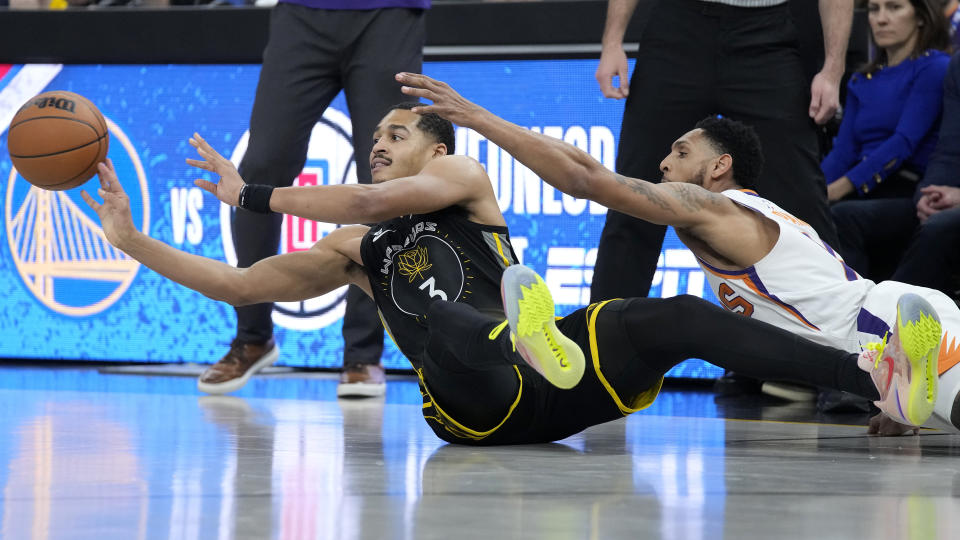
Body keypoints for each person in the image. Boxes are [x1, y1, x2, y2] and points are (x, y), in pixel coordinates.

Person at [81, 104, 938, 444]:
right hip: (473, 402)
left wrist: (253, 191)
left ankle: (872, 374)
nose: (377, 145)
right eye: (370, 139)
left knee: (669, 313)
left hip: (558, 380)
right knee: (435, 311)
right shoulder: (351, 252)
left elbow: (377, 202)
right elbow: (237, 287)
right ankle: (511, 333)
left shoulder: (460, 182)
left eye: (393, 134)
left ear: (435, 149)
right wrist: (130, 241)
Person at [395, 72, 959, 434]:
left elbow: (586, 178)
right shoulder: (771, 217)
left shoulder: (710, 206)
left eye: (681, 151)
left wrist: (479, 118)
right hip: (897, 315)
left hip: (880, 332)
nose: (664, 163)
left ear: (718, 167)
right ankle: (895, 383)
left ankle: (893, 377)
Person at [200, 0, 429, 398]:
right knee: (262, 165)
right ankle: (252, 337)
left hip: (388, 11)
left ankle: (363, 354)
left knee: (385, 175)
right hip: (302, 14)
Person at [589, 0, 850, 307]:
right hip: (677, 30)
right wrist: (612, 41)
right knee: (633, 198)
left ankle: (844, 339)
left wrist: (833, 68)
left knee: (802, 206)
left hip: (766, 36)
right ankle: (597, 342)